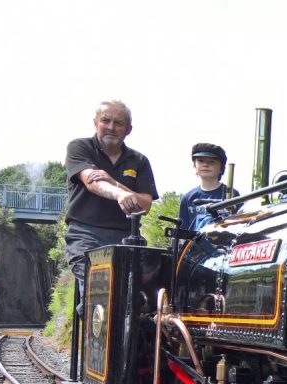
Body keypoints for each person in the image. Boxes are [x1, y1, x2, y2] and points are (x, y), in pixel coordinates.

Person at [63, 100, 158, 281]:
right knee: (98, 283)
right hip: (85, 233)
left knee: (143, 285)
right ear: (95, 123)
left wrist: (114, 182)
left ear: (128, 129)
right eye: (105, 121)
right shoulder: (79, 147)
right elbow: (92, 181)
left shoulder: (139, 160)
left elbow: (145, 205)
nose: (111, 127)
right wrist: (119, 194)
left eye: (118, 123)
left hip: (126, 235)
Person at [178, 143, 233, 232]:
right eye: (200, 161)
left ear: (221, 168)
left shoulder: (232, 194)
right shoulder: (188, 198)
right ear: (194, 165)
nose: (205, 165)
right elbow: (183, 230)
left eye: (212, 162)